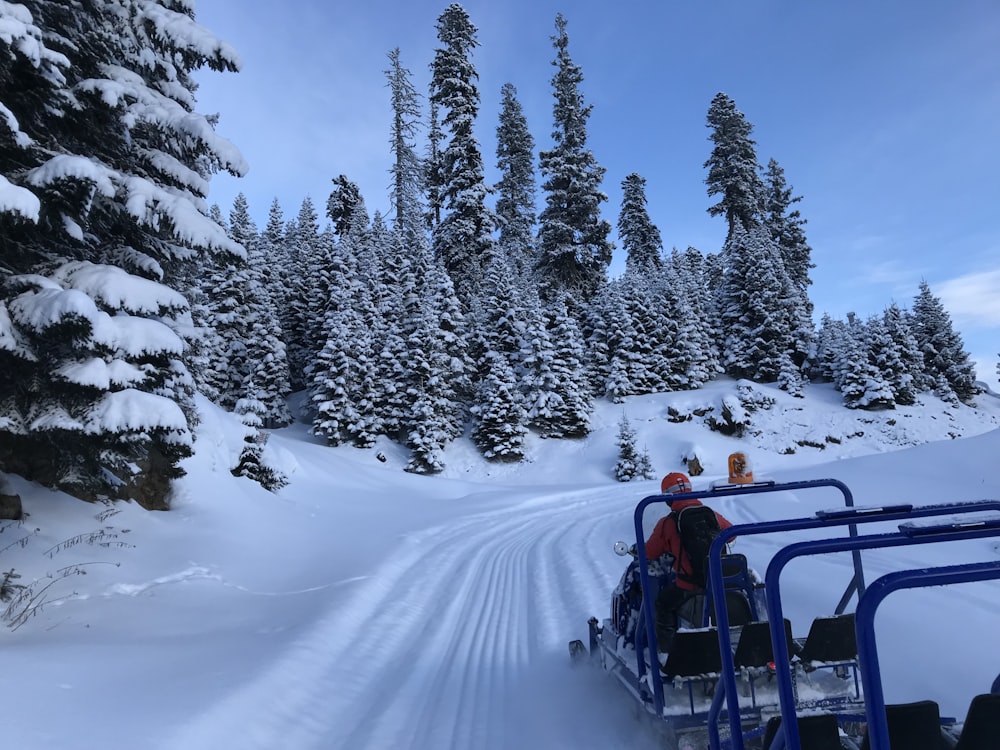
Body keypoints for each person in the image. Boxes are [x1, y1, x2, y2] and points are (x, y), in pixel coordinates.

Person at [645, 471, 734, 653]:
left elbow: (650, 552)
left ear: (667, 498)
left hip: (689, 586)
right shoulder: (710, 514)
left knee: (663, 603)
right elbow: (731, 534)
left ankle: (667, 651)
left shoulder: (668, 523)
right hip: (719, 581)